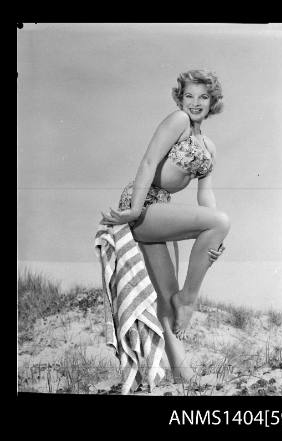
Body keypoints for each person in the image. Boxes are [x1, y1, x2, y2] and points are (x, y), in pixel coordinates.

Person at [100, 69, 230, 382]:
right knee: (220, 222)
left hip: (162, 210)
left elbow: (205, 193)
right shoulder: (178, 121)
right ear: (179, 98)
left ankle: (182, 376)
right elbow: (147, 162)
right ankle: (190, 299)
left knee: (166, 300)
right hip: (143, 203)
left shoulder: (208, 146)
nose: (195, 102)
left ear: (213, 101)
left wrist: (213, 240)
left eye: (203, 97)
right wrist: (133, 210)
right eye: (189, 96)